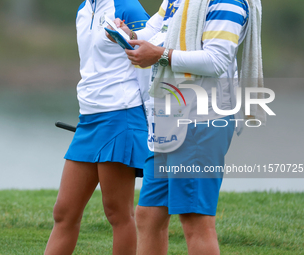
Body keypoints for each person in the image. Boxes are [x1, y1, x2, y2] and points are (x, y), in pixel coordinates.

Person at [109, 0, 264, 254]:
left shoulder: (227, 2)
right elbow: (155, 31)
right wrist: (128, 36)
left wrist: (159, 55)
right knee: (149, 215)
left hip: (201, 118)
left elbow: (217, 60)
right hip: (167, 115)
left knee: (195, 221)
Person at [44, 0, 149, 254]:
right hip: (88, 119)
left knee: (117, 212)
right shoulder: (83, 9)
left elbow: (149, 62)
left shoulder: (128, 8)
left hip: (121, 116)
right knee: (64, 211)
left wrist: (151, 120)